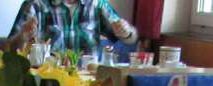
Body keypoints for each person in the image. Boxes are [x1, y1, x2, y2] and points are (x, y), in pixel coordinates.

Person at [7, 0, 138, 55]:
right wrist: (23, 36)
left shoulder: (97, 4)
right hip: (50, 83)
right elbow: (8, 49)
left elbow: (130, 39)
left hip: (89, 84)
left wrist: (126, 32)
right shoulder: (35, 4)